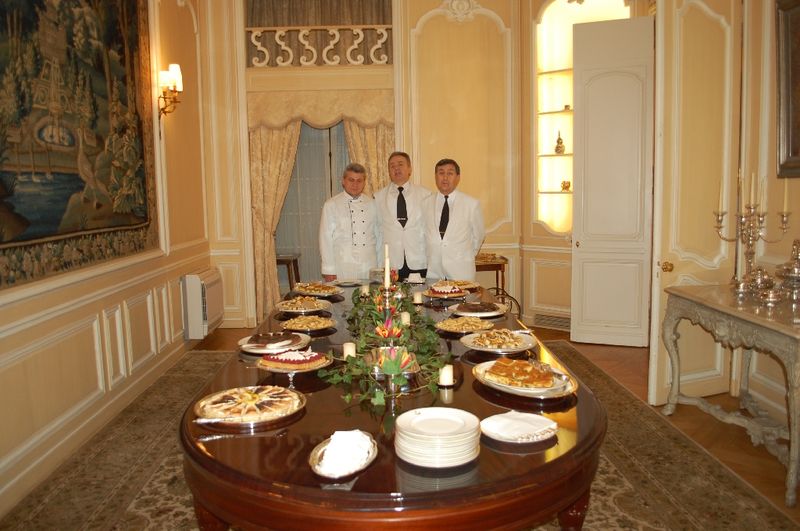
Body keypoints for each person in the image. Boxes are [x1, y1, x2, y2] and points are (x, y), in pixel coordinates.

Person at [374, 151, 433, 280]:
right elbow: (376, 232)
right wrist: (378, 262)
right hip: (391, 263)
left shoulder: (426, 195)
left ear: (409, 168)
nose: (396, 168)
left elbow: (431, 229)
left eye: (400, 164)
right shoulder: (378, 197)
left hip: (419, 260)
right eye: (392, 166)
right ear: (389, 171)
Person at [424, 158, 485, 281]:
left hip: (461, 272)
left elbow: (479, 236)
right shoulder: (426, 203)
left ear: (457, 177)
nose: (445, 177)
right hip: (434, 273)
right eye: (441, 173)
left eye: (450, 173)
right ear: (435, 176)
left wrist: (464, 255)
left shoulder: (471, 204)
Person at [319, 163, 381, 281]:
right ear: (343, 181)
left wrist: (380, 267)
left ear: (364, 182)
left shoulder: (372, 204)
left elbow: (378, 237)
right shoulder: (331, 205)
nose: (355, 184)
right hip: (343, 266)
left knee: (370, 293)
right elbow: (325, 239)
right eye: (351, 180)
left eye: (359, 181)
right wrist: (329, 270)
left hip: (369, 265)